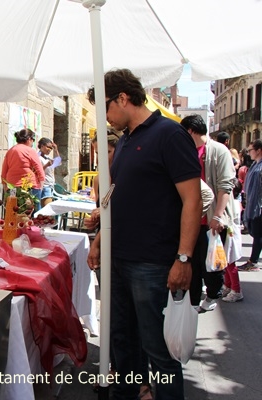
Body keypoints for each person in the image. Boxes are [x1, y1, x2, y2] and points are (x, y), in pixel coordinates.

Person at [86, 68, 201, 400]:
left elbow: (192, 200)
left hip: (152, 264)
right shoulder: (125, 140)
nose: (104, 119)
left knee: (159, 353)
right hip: (119, 260)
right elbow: (117, 196)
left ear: (123, 98)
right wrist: (98, 240)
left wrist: (184, 258)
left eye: (105, 108)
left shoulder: (169, 134)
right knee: (123, 345)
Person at [180, 117, 238, 307]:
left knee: (212, 264)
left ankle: (213, 294)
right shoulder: (188, 151)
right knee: (193, 263)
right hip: (192, 218)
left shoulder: (219, 151)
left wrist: (217, 216)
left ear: (190, 131)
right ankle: (194, 300)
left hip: (211, 218)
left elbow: (225, 186)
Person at [83, 130, 120, 231]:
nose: (101, 158)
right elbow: (101, 210)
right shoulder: (98, 179)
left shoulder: (127, 176)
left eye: (107, 152)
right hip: (104, 236)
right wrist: (94, 221)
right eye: (98, 153)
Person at [1, 128, 46, 211]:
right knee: (32, 215)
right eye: (33, 140)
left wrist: (5, 187)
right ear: (29, 139)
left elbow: (4, 171)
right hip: (30, 187)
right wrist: (41, 187)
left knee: (13, 213)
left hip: (13, 187)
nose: (33, 143)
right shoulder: (30, 151)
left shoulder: (10, 151)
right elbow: (39, 169)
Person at [238, 139, 262, 272]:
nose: (249, 153)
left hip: (259, 207)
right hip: (254, 205)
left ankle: (253, 262)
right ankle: (252, 261)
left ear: (258, 151)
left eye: (251, 150)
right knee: (257, 234)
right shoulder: (255, 165)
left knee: (258, 235)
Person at [37, 137, 61, 207]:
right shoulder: (38, 157)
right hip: (45, 186)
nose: (50, 150)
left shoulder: (47, 158)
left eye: (51, 148)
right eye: (48, 147)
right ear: (42, 146)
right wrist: (46, 165)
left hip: (50, 186)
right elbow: (37, 171)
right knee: (46, 211)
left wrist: (56, 150)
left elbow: (58, 162)